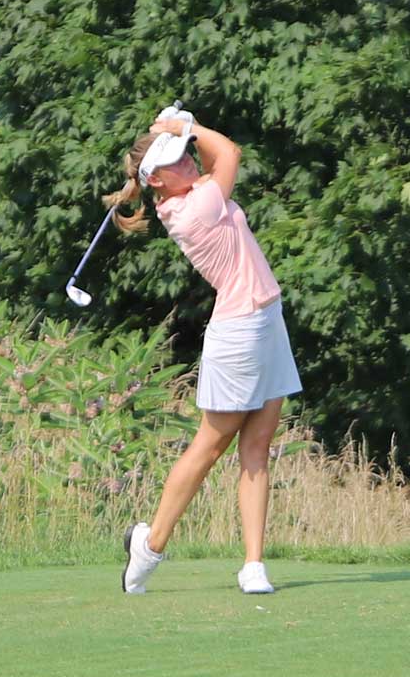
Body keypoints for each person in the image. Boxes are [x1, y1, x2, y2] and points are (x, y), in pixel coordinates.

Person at [102, 108, 302, 595]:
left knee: (257, 447)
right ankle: (150, 546)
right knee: (211, 446)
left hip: (267, 322)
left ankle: (253, 565)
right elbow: (230, 152)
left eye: (186, 155)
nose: (188, 160)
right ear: (156, 181)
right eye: (176, 160)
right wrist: (184, 129)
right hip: (239, 333)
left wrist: (179, 128)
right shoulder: (195, 209)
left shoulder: (191, 193)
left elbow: (213, 157)